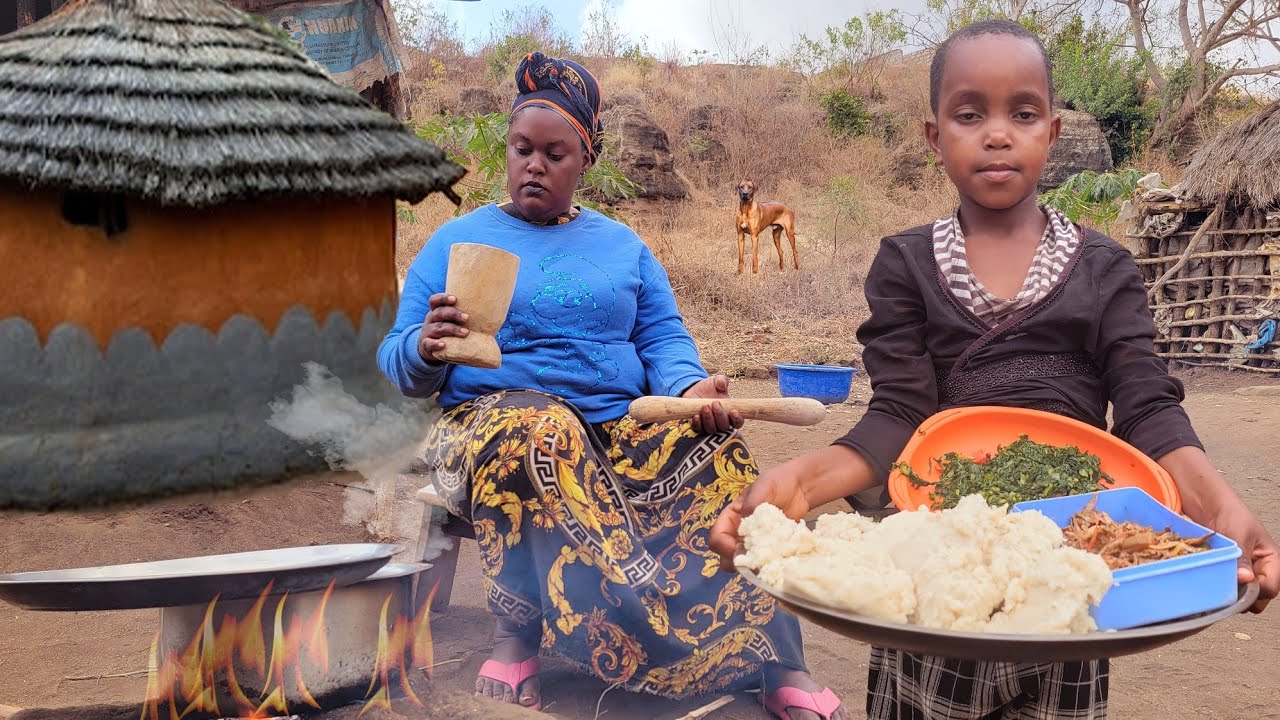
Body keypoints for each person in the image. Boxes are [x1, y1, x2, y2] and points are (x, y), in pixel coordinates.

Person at [710, 19, 1278, 720]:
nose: (998, 133)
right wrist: (801, 481)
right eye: (970, 113)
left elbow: (1146, 408)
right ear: (934, 136)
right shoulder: (907, 265)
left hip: (1070, 558)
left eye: (1024, 112)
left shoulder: (1105, 271)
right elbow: (899, 415)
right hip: (937, 560)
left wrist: (1220, 508)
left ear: (1054, 132)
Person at [378, 52, 845, 720]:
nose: (534, 164)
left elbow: (662, 338)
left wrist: (689, 392)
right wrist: (425, 347)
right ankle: (517, 636)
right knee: (537, 432)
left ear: (585, 161)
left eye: (555, 153)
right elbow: (396, 358)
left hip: (619, 430)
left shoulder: (624, 247)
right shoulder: (457, 241)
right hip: (491, 427)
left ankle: (774, 656)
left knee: (723, 457)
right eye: (522, 149)